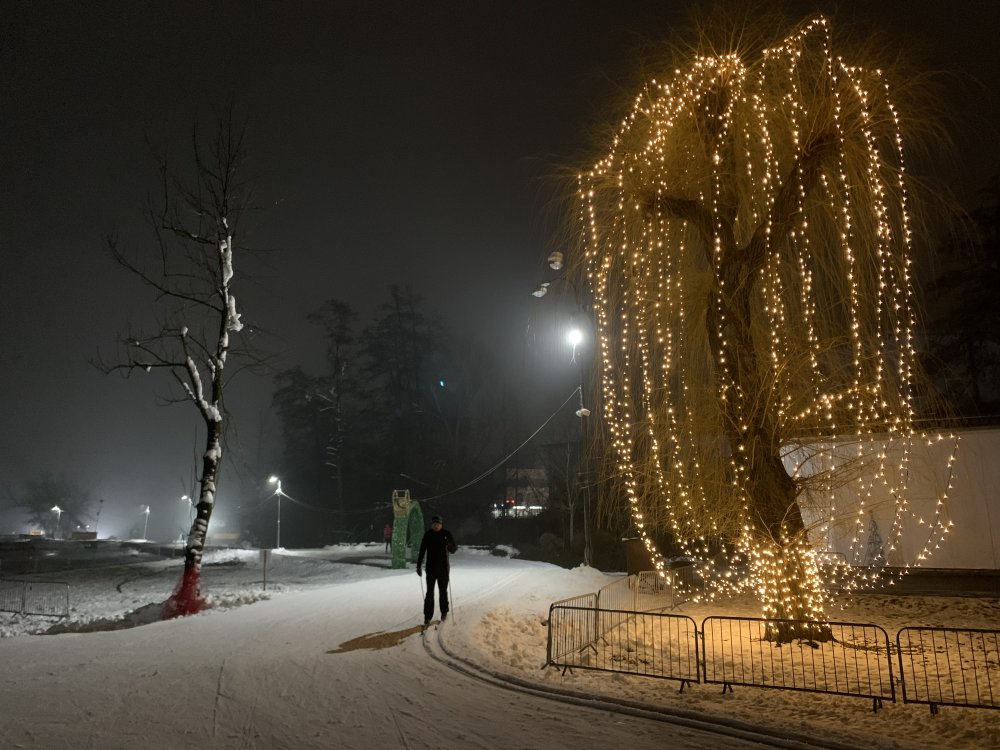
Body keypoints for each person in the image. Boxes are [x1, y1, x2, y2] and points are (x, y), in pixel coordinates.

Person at [416, 515, 457, 625]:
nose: (436, 526)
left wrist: (448, 545)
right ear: (432, 525)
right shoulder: (428, 534)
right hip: (431, 569)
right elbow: (422, 550)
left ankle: (444, 612)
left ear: (441, 524)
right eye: (434, 524)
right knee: (429, 593)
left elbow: (454, 549)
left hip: (443, 569)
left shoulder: (446, 534)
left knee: (443, 591)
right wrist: (418, 565)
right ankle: (428, 616)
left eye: (437, 524)